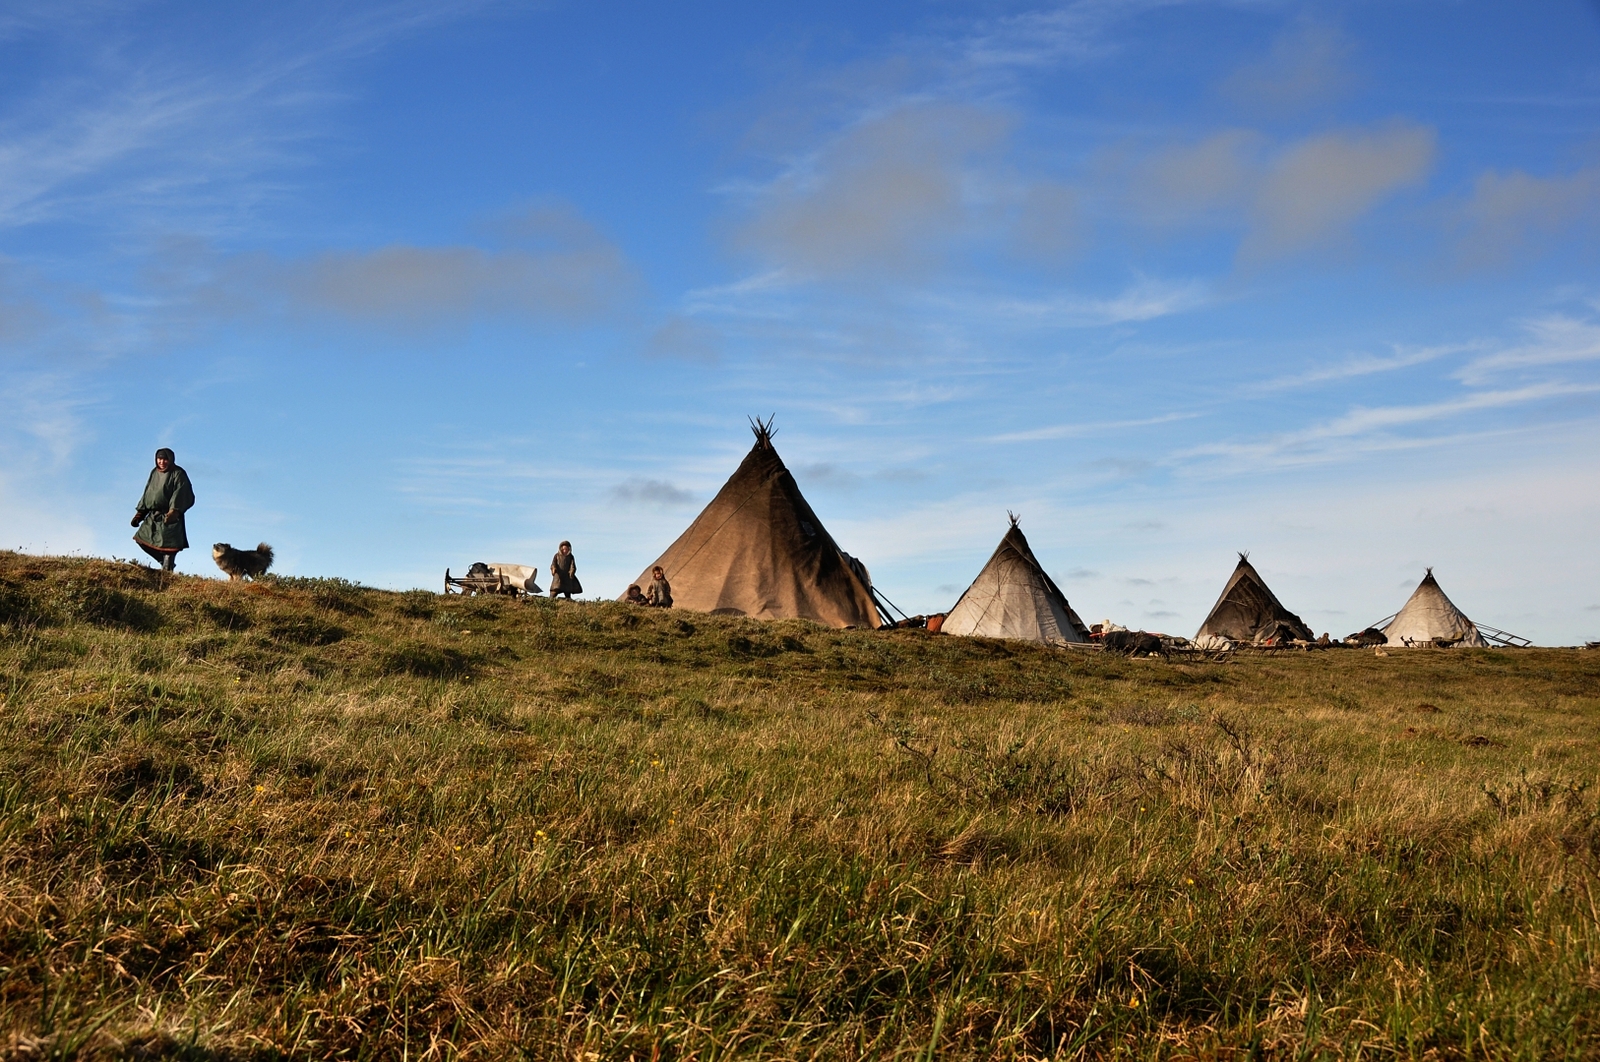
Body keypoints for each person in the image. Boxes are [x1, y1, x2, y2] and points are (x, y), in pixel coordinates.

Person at [131, 447, 195, 572]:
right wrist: (140, 513)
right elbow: (148, 492)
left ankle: (167, 571)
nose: (162, 462)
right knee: (142, 539)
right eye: (159, 459)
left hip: (170, 517)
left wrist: (174, 511)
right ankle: (162, 561)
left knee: (169, 547)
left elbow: (181, 493)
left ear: (170, 459)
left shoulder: (178, 473)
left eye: (165, 459)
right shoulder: (154, 472)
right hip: (153, 515)